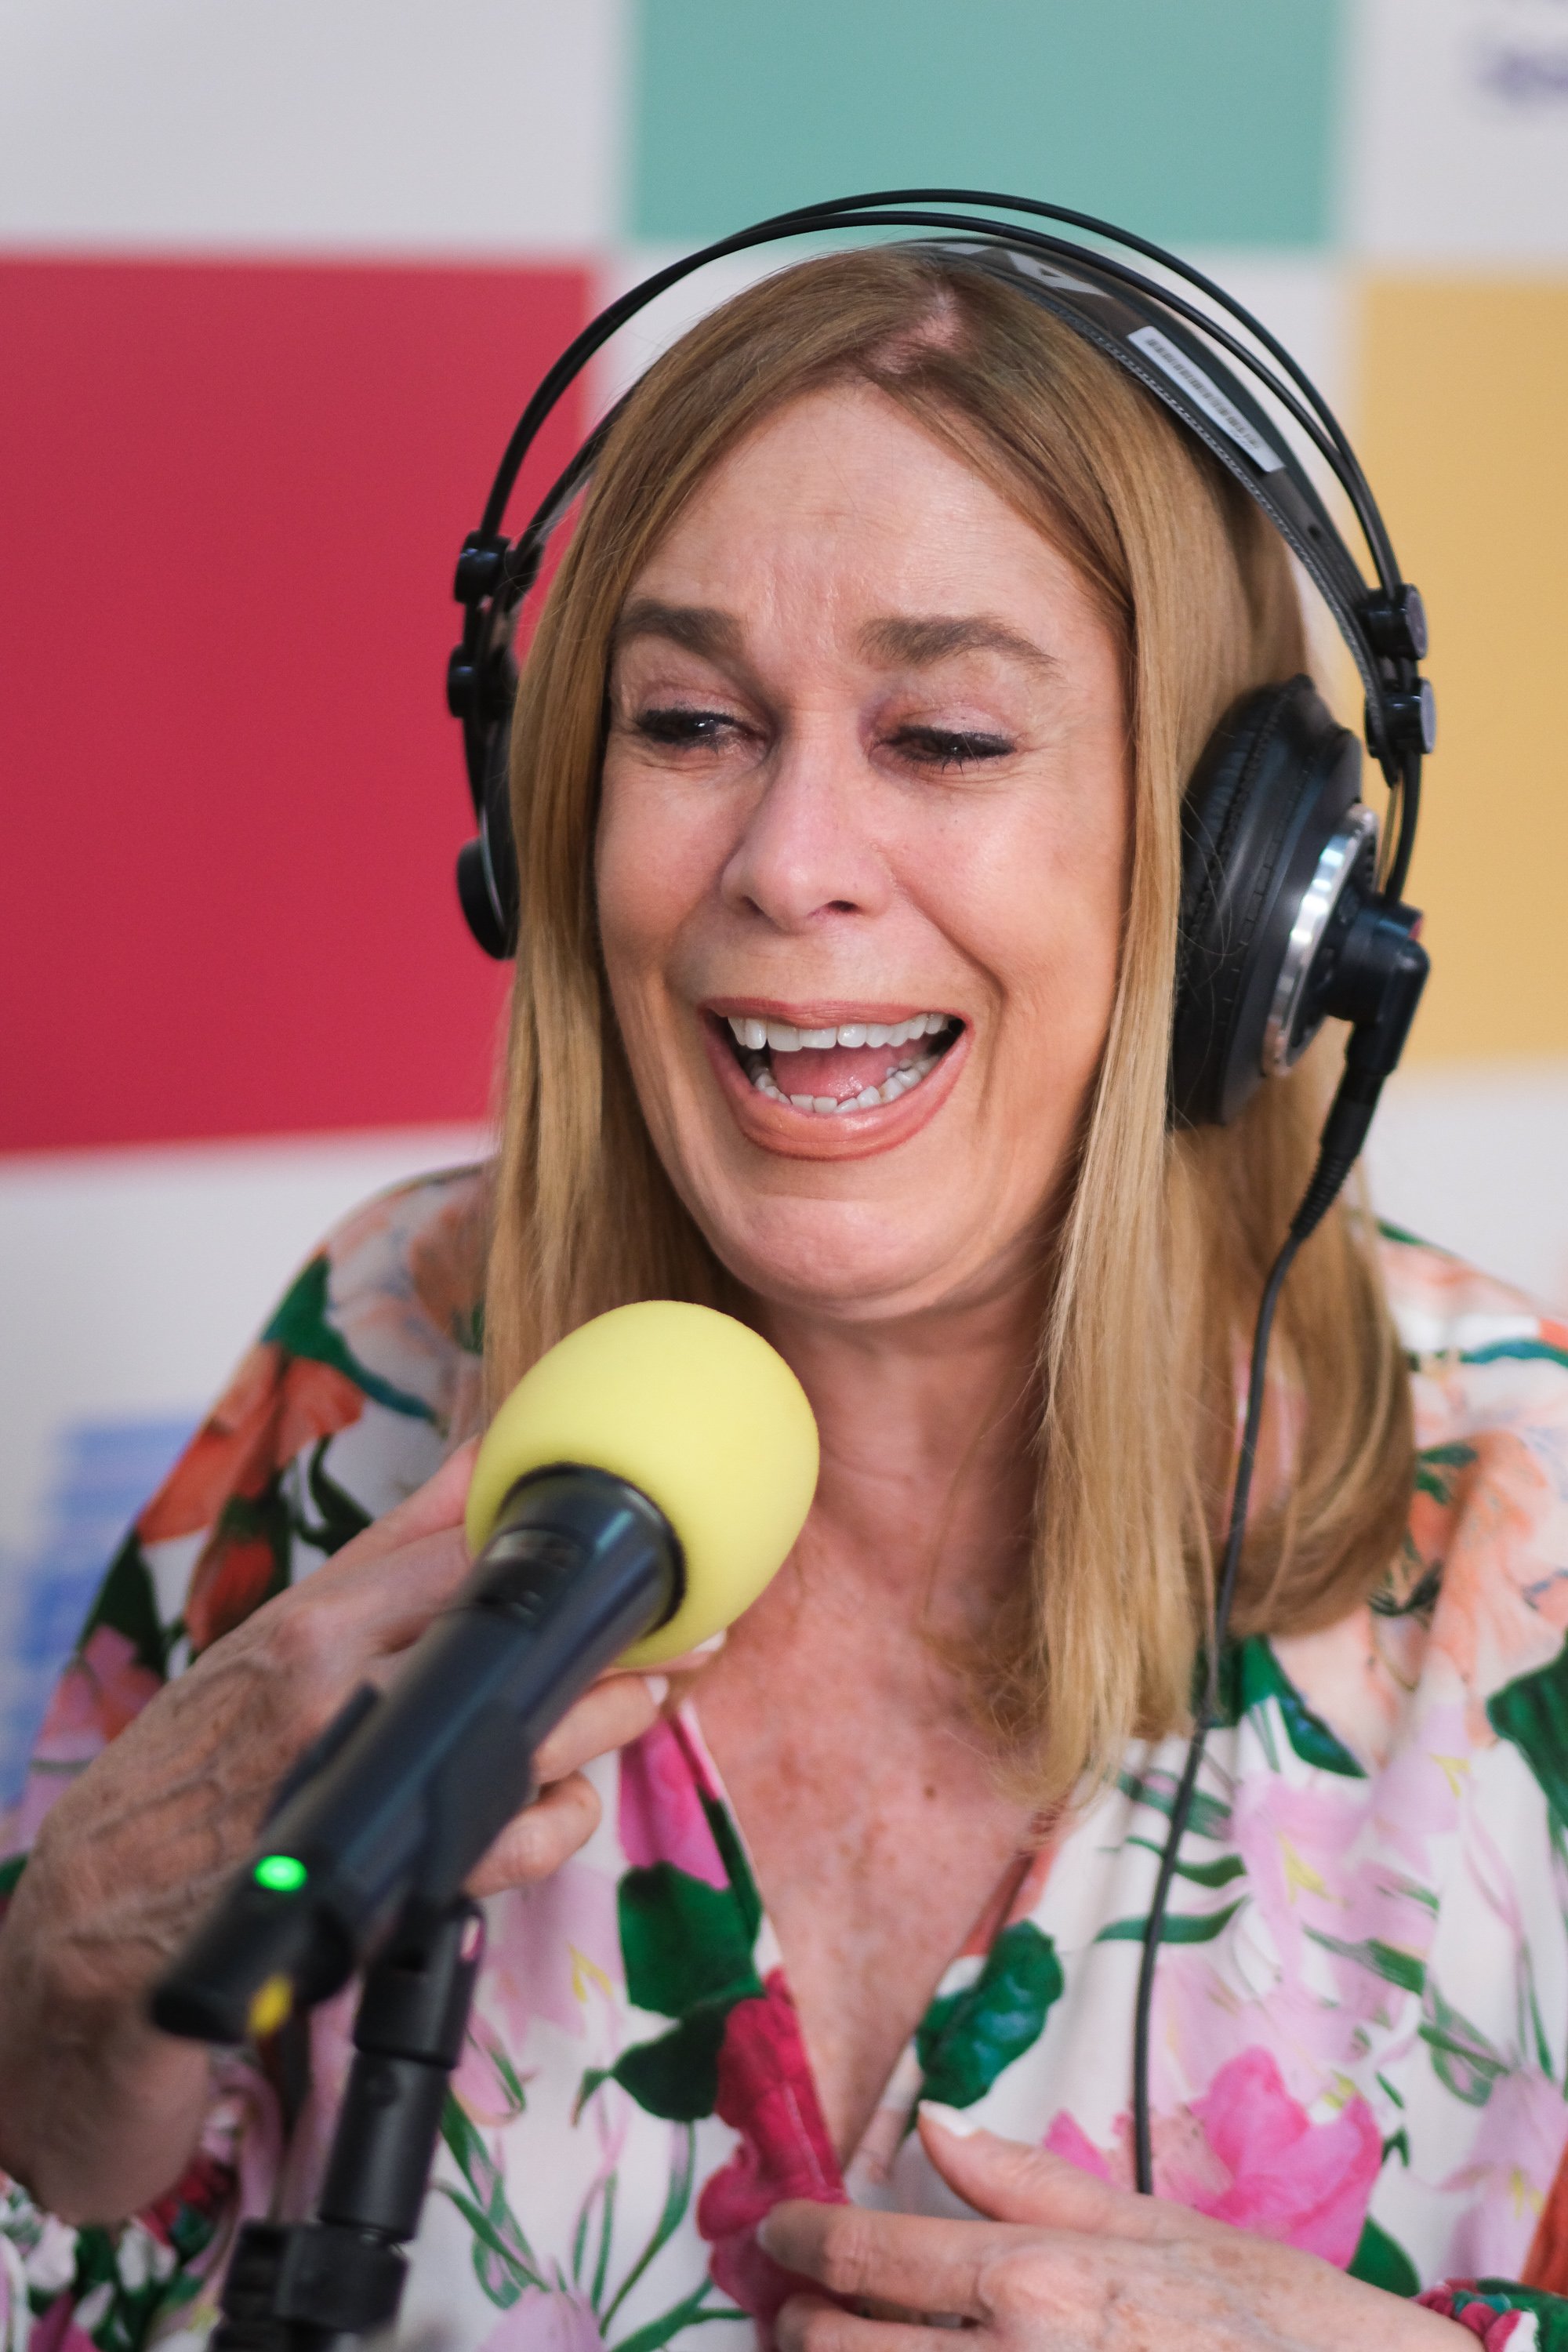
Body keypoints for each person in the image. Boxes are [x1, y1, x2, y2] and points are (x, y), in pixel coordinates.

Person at [2, 243, 1566, 2352]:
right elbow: (76, 2248)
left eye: (945, 735)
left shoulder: (1533, 1527)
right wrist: (64, 1999)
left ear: (1233, 891)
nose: (785, 859)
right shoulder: (376, 1360)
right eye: (690, 724)